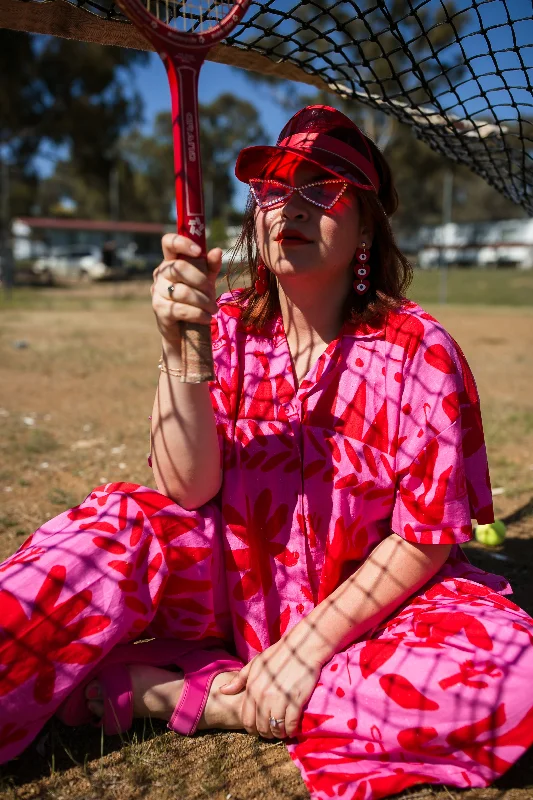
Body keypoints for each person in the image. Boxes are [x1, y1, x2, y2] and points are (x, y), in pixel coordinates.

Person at [1, 105, 532, 800]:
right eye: (275, 191)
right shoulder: (222, 328)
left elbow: (423, 539)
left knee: (508, 678)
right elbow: (186, 490)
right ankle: (239, 689)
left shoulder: (417, 348)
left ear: (367, 221)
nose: (292, 208)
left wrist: (306, 648)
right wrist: (178, 347)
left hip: (366, 615)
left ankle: (192, 696)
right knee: (101, 538)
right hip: (222, 589)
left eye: (323, 189)